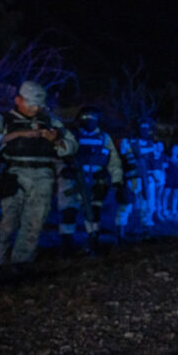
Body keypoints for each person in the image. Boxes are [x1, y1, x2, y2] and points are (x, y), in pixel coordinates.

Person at [0, 80, 77, 281]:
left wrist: (55, 140)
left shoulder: (51, 122)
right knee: (3, 223)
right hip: (12, 176)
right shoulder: (2, 120)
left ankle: (21, 264)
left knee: (34, 223)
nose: (35, 108)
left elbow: (72, 146)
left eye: (39, 105)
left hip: (42, 178)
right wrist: (17, 135)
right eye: (30, 104)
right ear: (18, 100)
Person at [56, 106, 123, 255]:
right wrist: (63, 170)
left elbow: (114, 162)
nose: (89, 122)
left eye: (93, 119)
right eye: (85, 119)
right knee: (68, 212)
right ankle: (66, 245)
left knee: (93, 212)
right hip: (72, 181)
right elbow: (58, 156)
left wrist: (116, 180)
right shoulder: (71, 136)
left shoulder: (104, 138)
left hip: (95, 182)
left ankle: (93, 242)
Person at [114, 117, 158, 237]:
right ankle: (120, 232)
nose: (145, 130)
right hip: (132, 179)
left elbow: (155, 162)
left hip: (148, 180)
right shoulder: (128, 143)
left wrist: (157, 178)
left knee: (148, 206)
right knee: (126, 205)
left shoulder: (152, 144)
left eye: (147, 128)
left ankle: (147, 231)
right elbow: (124, 160)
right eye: (142, 127)